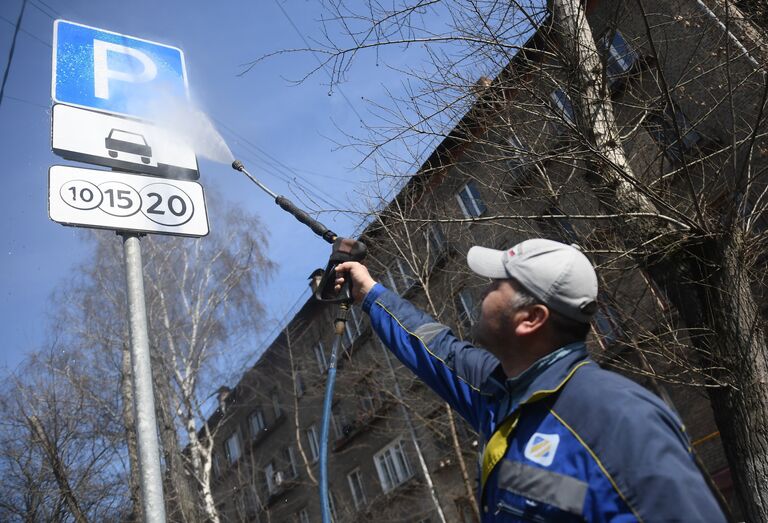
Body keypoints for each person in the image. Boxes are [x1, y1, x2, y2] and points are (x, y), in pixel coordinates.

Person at [334, 238, 726, 522]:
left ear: (531, 318)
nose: (483, 292)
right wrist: (370, 292)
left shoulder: (615, 415)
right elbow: (436, 347)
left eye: (496, 285)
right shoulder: (500, 393)